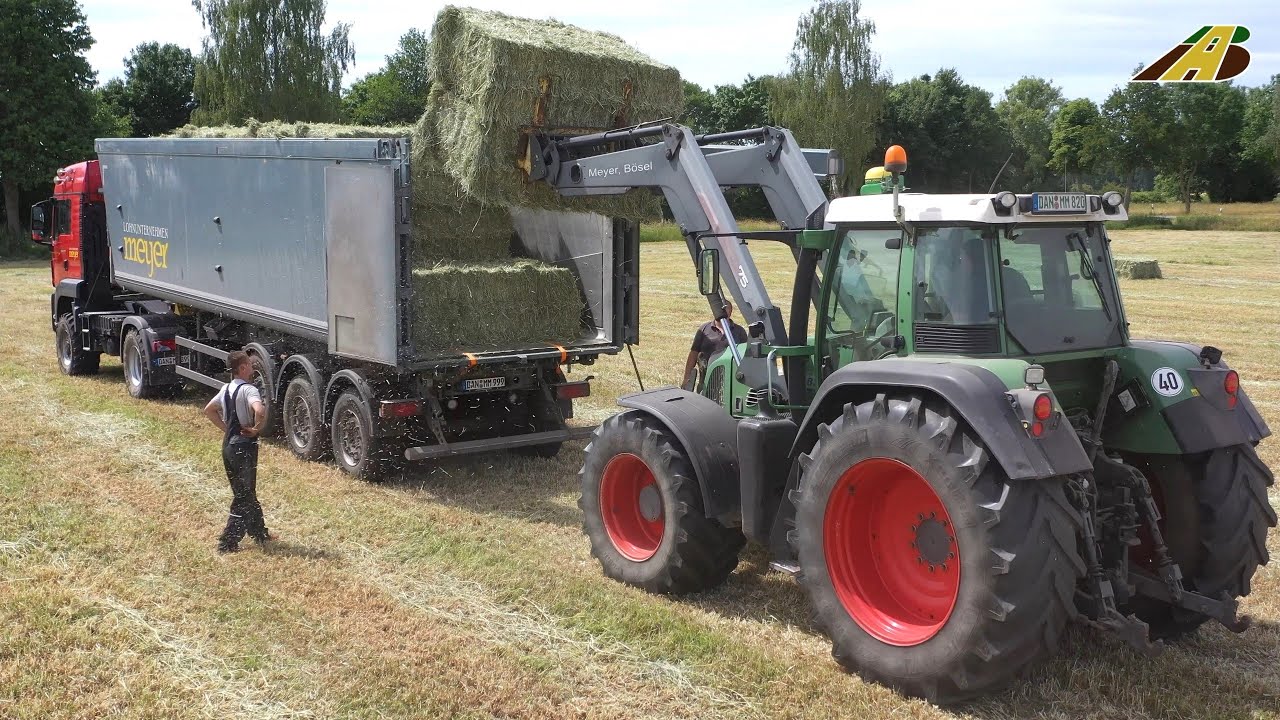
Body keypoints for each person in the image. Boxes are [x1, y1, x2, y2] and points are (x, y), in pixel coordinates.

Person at [203, 350, 273, 553]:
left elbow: (209, 410)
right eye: (250, 364)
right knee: (243, 495)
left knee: (245, 491)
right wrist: (256, 429)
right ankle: (228, 542)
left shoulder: (225, 388)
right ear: (242, 368)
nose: (252, 367)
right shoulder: (249, 389)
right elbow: (259, 410)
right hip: (244, 447)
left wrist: (227, 429)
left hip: (228, 446)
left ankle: (259, 532)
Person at [682, 302, 748, 391]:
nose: (722, 312)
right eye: (720, 310)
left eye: (726, 309)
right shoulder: (704, 329)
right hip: (706, 380)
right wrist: (687, 378)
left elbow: (745, 355)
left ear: (731, 312)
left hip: (730, 381)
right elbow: (693, 353)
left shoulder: (739, 331)